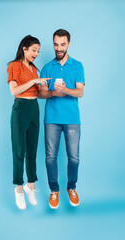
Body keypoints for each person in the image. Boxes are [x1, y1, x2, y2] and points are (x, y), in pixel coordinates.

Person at [38, 29, 85, 209]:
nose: (59, 48)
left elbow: (80, 92)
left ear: (68, 44)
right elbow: (40, 94)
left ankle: (71, 187)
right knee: (50, 157)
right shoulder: (48, 67)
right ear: (53, 44)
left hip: (72, 118)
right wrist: (53, 92)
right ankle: (54, 190)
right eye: (56, 44)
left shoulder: (77, 65)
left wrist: (65, 90)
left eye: (62, 44)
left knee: (74, 158)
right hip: (52, 119)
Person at [7, 35, 51, 210]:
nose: (37, 54)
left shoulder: (34, 69)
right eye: (34, 50)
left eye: (38, 51)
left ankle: (30, 185)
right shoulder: (14, 66)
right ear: (24, 48)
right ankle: (19, 188)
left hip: (34, 108)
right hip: (21, 108)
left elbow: (37, 94)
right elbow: (14, 90)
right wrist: (33, 81)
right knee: (19, 149)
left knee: (32, 149)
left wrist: (43, 89)